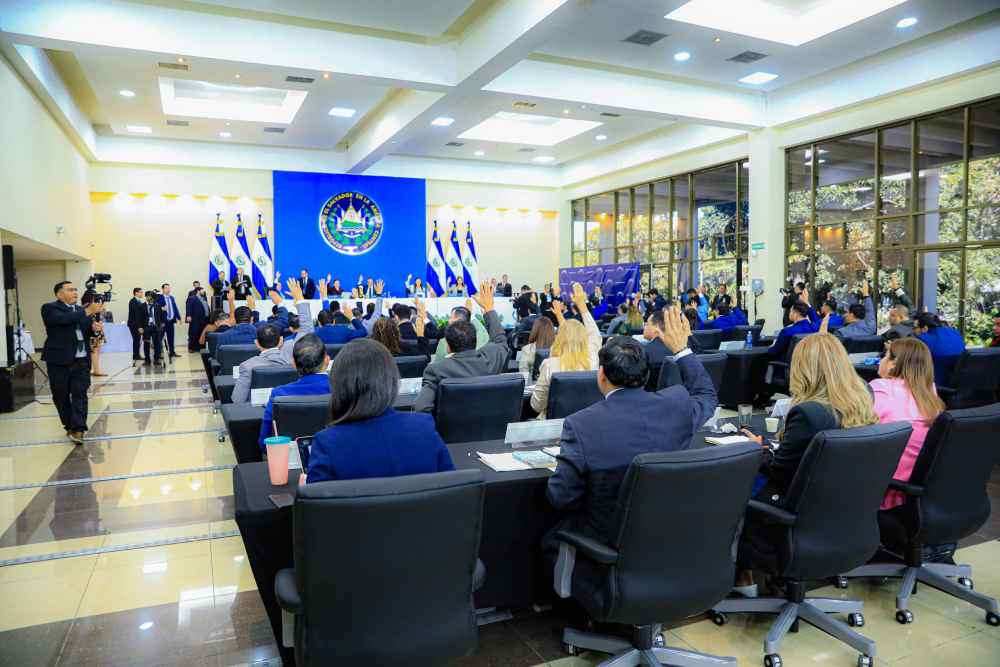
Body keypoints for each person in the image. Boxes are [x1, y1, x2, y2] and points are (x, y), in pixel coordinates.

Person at [546, 309, 716, 550]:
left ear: (601, 375)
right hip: (670, 541)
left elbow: (561, 496)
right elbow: (706, 395)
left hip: (605, 543)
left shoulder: (581, 424)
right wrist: (681, 351)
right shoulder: (676, 406)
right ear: (645, 376)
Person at [735, 333, 878, 588]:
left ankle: (740, 574)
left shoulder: (809, 413)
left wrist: (759, 449)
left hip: (796, 515)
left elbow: (779, 472)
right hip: (844, 514)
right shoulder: (863, 400)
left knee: (738, 481)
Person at [305, 339, 454, 483]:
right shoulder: (423, 427)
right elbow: (452, 487)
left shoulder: (326, 443)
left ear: (339, 386)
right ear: (390, 380)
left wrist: (305, 491)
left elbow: (316, 506)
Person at [871, 338, 945, 511]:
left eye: (885, 355)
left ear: (893, 364)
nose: (881, 360)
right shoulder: (930, 393)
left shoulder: (880, 389)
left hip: (883, 493)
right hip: (919, 493)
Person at [414, 283, 509, 413]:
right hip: (491, 431)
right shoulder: (490, 360)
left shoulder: (436, 370)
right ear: (475, 342)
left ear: (448, 347)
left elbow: (421, 408)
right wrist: (489, 308)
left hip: (449, 432)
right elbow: (500, 340)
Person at [41, 281, 103, 444]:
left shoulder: (80, 310)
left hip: (81, 360)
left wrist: (94, 328)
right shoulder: (50, 308)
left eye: (76, 290)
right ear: (59, 294)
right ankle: (69, 424)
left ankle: (79, 429)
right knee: (60, 396)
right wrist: (88, 311)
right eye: (70, 290)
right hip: (59, 361)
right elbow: (64, 321)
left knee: (80, 394)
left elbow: (84, 330)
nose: (75, 293)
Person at [531, 284, 602, 419]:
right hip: (586, 423)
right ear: (584, 339)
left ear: (559, 339)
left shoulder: (549, 365)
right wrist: (582, 306)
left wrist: (559, 315)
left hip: (553, 429)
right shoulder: (592, 359)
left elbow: (536, 405)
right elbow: (594, 334)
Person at [258, 334, 330, 451]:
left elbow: (265, 442)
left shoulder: (279, 394)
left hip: (288, 462)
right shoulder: (343, 390)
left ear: (294, 364)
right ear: (327, 360)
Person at [231, 324, 290, 404]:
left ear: (257, 343)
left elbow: (237, 400)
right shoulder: (292, 363)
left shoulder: (247, 366)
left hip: (255, 414)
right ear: (281, 340)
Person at [912, 312, 965, 386]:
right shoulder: (955, 333)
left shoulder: (922, 339)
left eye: (915, 328)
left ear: (924, 328)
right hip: (959, 386)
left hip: (935, 388)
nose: (913, 331)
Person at [81, 290, 107, 377]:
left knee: (96, 350)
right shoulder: (87, 306)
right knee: (94, 350)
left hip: (96, 327)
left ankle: (94, 368)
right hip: (92, 329)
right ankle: (96, 369)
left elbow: (102, 312)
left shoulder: (90, 305)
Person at [139, 290, 167, 365]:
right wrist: (140, 327)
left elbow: (160, 316)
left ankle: (156, 359)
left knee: (157, 343)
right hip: (146, 327)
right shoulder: (142, 306)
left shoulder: (157, 305)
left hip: (156, 327)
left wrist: (162, 323)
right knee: (146, 344)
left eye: (149, 296)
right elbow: (139, 318)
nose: (147, 297)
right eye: (147, 296)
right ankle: (147, 359)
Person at [157, 283, 182, 358]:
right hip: (163, 322)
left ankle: (172, 352)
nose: (169, 289)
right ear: (163, 289)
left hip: (171, 321)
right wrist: (161, 308)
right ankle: (158, 353)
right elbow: (156, 307)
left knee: (171, 337)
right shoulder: (159, 297)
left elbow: (175, 308)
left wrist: (179, 318)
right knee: (160, 338)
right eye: (167, 288)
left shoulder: (172, 298)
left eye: (169, 288)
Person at [185, 286, 211, 352]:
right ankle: (191, 348)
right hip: (195, 319)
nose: (204, 292)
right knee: (193, 333)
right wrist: (188, 315)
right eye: (202, 290)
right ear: (198, 291)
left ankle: (200, 347)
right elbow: (188, 307)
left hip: (204, 319)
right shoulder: (192, 298)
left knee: (201, 333)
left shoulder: (203, 298)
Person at [126, 287, 146, 362]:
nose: (142, 293)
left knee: (137, 340)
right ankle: (136, 355)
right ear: (136, 293)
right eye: (140, 292)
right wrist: (139, 327)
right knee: (136, 340)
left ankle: (137, 354)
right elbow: (136, 315)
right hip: (134, 324)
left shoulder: (139, 301)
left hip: (136, 324)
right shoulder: (133, 301)